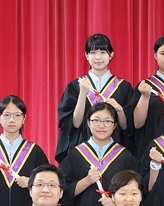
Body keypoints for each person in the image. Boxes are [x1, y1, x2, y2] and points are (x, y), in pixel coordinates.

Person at [62, 102, 142, 206]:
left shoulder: (125, 156)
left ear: (115, 125)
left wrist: (116, 202)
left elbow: (139, 190)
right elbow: (63, 190)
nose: (101, 125)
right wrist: (87, 180)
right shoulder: (76, 154)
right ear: (88, 123)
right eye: (96, 120)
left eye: (107, 121)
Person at [55, 33, 137, 162]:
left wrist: (120, 110)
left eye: (103, 52)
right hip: (83, 148)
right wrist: (82, 94)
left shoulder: (123, 87)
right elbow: (75, 124)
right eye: (93, 52)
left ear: (111, 55)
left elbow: (126, 127)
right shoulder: (75, 86)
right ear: (86, 55)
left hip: (114, 149)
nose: (98, 57)